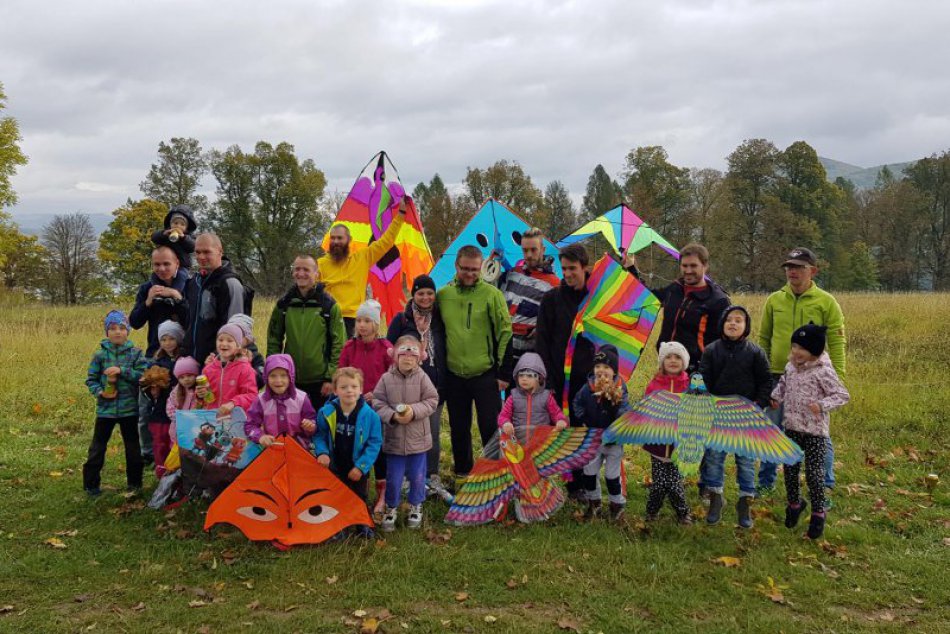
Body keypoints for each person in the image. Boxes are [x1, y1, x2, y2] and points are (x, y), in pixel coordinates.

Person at [757, 247, 847, 506]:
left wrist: (836, 377)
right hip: (777, 376)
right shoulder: (775, 300)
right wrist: (763, 374)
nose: (792, 272)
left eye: (799, 267)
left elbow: (837, 342)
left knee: (818, 435)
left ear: (813, 271)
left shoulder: (826, 301)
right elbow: (764, 337)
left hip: (813, 380)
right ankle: (765, 482)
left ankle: (825, 486)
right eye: (789, 267)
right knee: (772, 432)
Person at [437, 245, 513, 485]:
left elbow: (505, 332)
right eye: (465, 269)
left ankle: (493, 472)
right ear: (456, 266)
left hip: (485, 373)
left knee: (489, 426)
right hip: (453, 374)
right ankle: (463, 472)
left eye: (474, 269)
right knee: (459, 427)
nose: (470, 274)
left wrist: (503, 372)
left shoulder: (492, 295)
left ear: (481, 268)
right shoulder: (444, 295)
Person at [697, 306, 772, 528]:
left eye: (738, 321)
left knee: (746, 460)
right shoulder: (711, 350)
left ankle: (745, 500)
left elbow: (766, 381)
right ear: (722, 324)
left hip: (745, 415)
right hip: (717, 413)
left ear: (746, 326)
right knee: (713, 457)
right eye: (728, 320)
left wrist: (758, 404)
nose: (733, 324)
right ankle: (716, 497)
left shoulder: (755, 352)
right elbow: (703, 378)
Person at [773, 324, 849, 540]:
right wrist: (775, 397)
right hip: (792, 428)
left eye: (802, 348)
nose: (797, 351)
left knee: (815, 474)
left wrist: (822, 405)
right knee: (790, 470)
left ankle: (818, 513)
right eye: (794, 345)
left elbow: (842, 395)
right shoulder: (790, 367)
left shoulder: (823, 371)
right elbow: (783, 386)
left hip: (815, 432)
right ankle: (795, 504)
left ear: (814, 351)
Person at [535, 243, 595, 498]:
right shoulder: (552, 299)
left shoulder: (597, 297)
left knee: (586, 430)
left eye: (573, 268)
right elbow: (543, 340)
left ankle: (587, 481)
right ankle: (571, 483)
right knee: (564, 430)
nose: (567, 273)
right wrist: (547, 377)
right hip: (560, 378)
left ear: (585, 268)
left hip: (591, 378)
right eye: (564, 268)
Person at [386, 274, 447, 496]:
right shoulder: (402, 320)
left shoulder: (441, 318)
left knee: (431, 432)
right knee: (405, 432)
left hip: (436, 386)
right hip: (406, 387)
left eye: (430, 293)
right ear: (413, 295)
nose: (425, 297)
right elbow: (389, 349)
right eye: (420, 293)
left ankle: (431, 477)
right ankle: (404, 477)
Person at [627, 243, 731, 373]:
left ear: (705, 266)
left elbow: (726, 344)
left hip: (698, 373)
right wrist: (631, 268)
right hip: (667, 367)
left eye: (693, 266)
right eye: (684, 266)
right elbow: (647, 296)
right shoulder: (675, 289)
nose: (688, 270)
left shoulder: (718, 301)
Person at [372, 335, 440, 532]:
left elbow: (432, 400)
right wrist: (392, 416)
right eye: (403, 355)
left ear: (419, 358)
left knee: (418, 476)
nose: (408, 359)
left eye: (413, 356)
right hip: (394, 441)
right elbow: (377, 402)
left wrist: (414, 411)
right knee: (393, 477)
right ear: (395, 357)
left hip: (418, 440)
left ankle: (415, 505)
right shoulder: (386, 379)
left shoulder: (422, 377)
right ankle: (391, 507)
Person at [129, 246, 189, 464]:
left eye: (166, 264)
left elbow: (192, 319)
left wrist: (178, 298)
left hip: (182, 357)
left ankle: (180, 450)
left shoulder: (188, 286)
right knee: (147, 407)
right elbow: (134, 322)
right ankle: (149, 454)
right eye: (157, 265)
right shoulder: (147, 288)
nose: (162, 269)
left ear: (177, 264)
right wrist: (147, 302)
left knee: (181, 405)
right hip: (154, 357)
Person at [267, 254, 346, 409]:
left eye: (306, 269)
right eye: (297, 269)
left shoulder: (329, 305)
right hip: (290, 380)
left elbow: (339, 343)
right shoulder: (284, 304)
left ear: (316, 273)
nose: (300, 273)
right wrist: (273, 372)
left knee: (318, 427)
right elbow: (274, 340)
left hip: (320, 383)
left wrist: (330, 378)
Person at [318, 197, 407, 335]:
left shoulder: (362, 258)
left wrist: (400, 214)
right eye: (333, 238)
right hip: (328, 319)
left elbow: (386, 241)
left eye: (340, 238)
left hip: (353, 321)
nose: (336, 241)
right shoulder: (320, 264)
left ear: (349, 240)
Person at [82, 310, 148, 497]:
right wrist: (100, 392)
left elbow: (142, 377)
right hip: (105, 410)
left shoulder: (136, 354)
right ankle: (91, 485)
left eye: (121, 328)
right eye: (112, 328)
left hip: (130, 410)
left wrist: (122, 370)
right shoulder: (100, 356)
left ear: (128, 331)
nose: (117, 332)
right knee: (97, 448)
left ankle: (135, 484)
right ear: (106, 332)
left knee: (133, 448)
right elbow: (91, 380)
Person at [338, 298, 393, 512]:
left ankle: (382, 493)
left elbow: (392, 376)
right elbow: (341, 372)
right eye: (359, 320)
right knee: (355, 447)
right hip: (353, 406)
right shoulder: (350, 347)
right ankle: (359, 489)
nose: (361, 325)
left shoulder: (385, 348)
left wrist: (376, 393)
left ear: (376, 324)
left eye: (367, 321)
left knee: (377, 449)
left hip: (377, 408)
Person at [313, 367, 384, 528]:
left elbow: (374, 443)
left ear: (361, 390)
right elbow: (319, 435)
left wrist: (361, 467)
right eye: (343, 387)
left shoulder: (371, 416)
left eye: (354, 386)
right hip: (335, 463)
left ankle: (361, 523)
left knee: (359, 495)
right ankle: (336, 526)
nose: (349, 391)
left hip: (358, 465)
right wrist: (322, 453)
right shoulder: (326, 412)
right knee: (334, 494)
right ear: (335, 391)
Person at [572, 345, 631, 521]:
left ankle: (616, 505)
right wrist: (583, 418)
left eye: (606, 367)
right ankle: (594, 502)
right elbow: (577, 403)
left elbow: (626, 411)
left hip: (613, 440)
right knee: (589, 472)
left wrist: (614, 407)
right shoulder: (587, 388)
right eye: (598, 367)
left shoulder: (620, 389)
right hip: (594, 439)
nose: (601, 371)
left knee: (612, 476)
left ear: (614, 371)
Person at [497, 227, 560, 379]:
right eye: (525, 250)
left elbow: (558, 321)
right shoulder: (512, 274)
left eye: (534, 250)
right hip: (503, 356)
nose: (529, 255)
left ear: (543, 249)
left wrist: (543, 327)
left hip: (529, 361)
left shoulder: (555, 285)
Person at [642, 342, 693, 524]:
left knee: (673, 483)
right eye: (668, 357)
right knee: (658, 483)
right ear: (662, 362)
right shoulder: (654, 385)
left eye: (677, 357)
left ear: (684, 362)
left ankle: (683, 513)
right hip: (657, 443)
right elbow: (645, 409)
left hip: (679, 444)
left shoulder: (689, 386)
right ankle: (651, 512)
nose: (673, 361)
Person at [185, 233, 248, 365]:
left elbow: (235, 331)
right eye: (197, 252)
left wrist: (218, 360)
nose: (201, 257)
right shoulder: (193, 283)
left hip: (217, 365)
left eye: (207, 252)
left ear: (220, 251)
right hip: (191, 366)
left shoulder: (230, 284)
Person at [244, 354, 317, 450]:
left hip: (299, 449)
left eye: (283, 375)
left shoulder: (302, 398)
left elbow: (313, 422)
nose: (278, 381)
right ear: (266, 377)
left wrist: (310, 426)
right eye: (273, 376)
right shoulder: (261, 400)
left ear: (291, 376)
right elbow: (250, 425)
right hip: (272, 449)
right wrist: (260, 437)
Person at [140, 320, 183, 477]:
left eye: (171, 338)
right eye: (163, 340)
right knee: (160, 442)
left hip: (179, 409)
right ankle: (161, 472)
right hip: (160, 410)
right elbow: (149, 393)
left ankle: (177, 473)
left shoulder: (184, 358)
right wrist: (152, 391)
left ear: (179, 338)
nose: (168, 343)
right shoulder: (157, 362)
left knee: (176, 444)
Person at [497, 352, 567, 441]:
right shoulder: (513, 397)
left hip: (541, 442)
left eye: (529, 376)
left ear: (539, 378)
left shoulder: (546, 397)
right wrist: (505, 423)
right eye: (521, 375)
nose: (524, 378)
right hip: (519, 441)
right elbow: (503, 416)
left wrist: (561, 420)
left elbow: (557, 413)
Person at [197, 324, 258, 416]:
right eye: (220, 340)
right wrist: (200, 395)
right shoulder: (208, 369)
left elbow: (251, 396)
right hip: (212, 420)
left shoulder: (245, 369)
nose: (224, 344)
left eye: (230, 340)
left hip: (235, 420)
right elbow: (203, 400)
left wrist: (233, 403)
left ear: (238, 346)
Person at [166, 356, 200, 451]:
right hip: (178, 428)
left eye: (189, 375)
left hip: (195, 428)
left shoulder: (199, 391)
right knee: (178, 454)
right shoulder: (176, 391)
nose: (186, 379)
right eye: (182, 377)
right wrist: (179, 417)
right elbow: (170, 407)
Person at [151, 204, 197, 270]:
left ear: (186, 228)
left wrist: (184, 238)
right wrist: (163, 234)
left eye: (182, 224)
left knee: (182, 278)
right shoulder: (166, 233)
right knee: (154, 277)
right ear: (170, 224)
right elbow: (154, 238)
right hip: (164, 265)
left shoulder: (188, 236)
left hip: (182, 266)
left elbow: (193, 247)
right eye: (175, 223)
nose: (178, 226)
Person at [227, 313, 265, 389]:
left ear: (248, 339)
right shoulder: (222, 354)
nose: (235, 338)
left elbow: (261, 381)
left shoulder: (256, 357)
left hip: (246, 397)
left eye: (239, 335)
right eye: (231, 334)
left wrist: (245, 365)